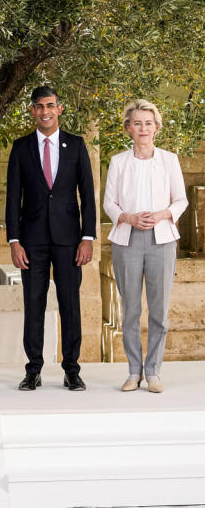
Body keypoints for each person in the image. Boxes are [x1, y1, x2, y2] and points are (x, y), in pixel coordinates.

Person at [6, 86, 95, 391]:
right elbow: (12, 198)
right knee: (34, 304)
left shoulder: (76, 145)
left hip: (70, 240)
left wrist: (88, 237)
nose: (44, 111)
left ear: (59, 109)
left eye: (50, 105)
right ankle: (33, 370)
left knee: (70, 303)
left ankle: (72, 369)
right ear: (32, 111)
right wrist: (14, 241)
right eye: (38, 106)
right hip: (31, 241)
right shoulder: (20, 148)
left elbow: (88, 195)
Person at [104, 99, 187, 393]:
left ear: (157, 128)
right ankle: (133, 371)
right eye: (137, 123)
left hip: (161, 241)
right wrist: (126, 217)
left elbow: (181, 200)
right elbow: (109, 202)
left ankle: (153, 372)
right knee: (130, 311)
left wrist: (164, 214)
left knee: (159, 310)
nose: (143, 128)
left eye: (148, 123)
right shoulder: (118, 162)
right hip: (127, 241)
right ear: (128, 128)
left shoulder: (169, 160)